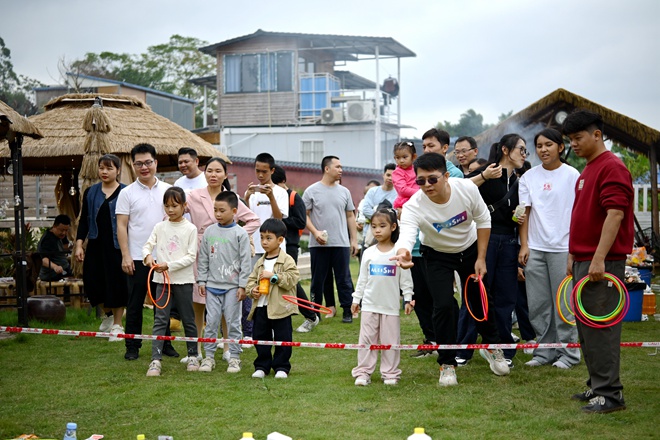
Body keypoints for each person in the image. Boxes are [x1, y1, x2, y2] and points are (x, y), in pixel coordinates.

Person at [391, 153, 509, 386]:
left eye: (432, 179)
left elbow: (484, 220)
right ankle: (447, 364)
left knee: (480, 299)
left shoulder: (466, 189)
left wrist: (481, 258)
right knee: (443, 305)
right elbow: (407, 234)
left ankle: (491, 346)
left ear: (446, 176)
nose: (427, 185)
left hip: (470, 249)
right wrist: (403, 251)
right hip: (437, 255)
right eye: (421, 181)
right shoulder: (414, 204)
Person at [563, 109, 633, 413]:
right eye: (570, 139)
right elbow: (582, 217)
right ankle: (597, 385)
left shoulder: (612, 167)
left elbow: (615, 214)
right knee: (587, 327)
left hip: (602, 262)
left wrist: (598, 258)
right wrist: (573, 254)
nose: (573, 144)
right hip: (585, 259)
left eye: (578, 137)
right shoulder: (588, 169)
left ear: (596, 134)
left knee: (600, 327)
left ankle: (610, 395)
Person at [462, 134, 528, 367]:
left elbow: (521, 214)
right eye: (521, 149)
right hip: (485, 241)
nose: (524, 154)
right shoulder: (488, 172)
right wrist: (483, 176)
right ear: (505, 150)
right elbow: (459, 188)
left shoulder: (520, 181)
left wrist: (522, 238)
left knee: (506, 298)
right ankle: (464, 349)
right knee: (477, 294)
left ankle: (503, 349)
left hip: (509, 242)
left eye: (525, 150)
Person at [518, 128, 580, 369]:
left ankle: (569, 354)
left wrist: (573, 249)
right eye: (539, 145)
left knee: (564, 304)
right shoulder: (529, 177)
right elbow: (524, 213)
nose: (543, 149)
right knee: (538, 305)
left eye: (549, 145)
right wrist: (524, 245)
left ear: (560, 147)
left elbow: (578, 214)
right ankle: (544, 352)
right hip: (535, 248)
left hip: (563, 248)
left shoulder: (572, 175)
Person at [187, 157, 260, 362]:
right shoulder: (193, 195)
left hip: (227, 258)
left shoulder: (231, 197)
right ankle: (197, 350)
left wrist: (235, 237)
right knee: (199, 303)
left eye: (218, 171)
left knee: (228, 306)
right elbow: (171, 214)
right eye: (209, 170)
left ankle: (227, 347)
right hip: (201, 252)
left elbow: (254, 220)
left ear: (225, 175)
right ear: (204, 173)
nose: (213, 175)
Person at [117, 143, 177, 361]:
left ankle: (165, 343)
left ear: (156, 163)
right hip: (136, 257)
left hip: (163, 258)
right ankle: (132, 345)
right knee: (134, 304)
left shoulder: (168, 190)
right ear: (133, 166)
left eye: (148, 162)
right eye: (139, 163)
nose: (144, 167)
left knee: (163, 304)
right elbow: (121, 226)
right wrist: (125, 256)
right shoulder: (126, 193)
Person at [351, 208, 414, 386]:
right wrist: (356, 300)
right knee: (366, 341)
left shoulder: (399, 253)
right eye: (373, 226)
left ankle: (390, 373)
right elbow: (362, 279)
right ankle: (363, 372)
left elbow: (406, 280)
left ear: (393, 227)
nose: (377, 230)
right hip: (369, 306)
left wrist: (408, 298)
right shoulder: (369, 253)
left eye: (382, 226)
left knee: (390, 342)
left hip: (390, 307)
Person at [142, 187, 199, 376]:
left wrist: (169, 265)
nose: (170, 210)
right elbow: (147, 246)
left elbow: (191, 257)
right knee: (160, 319)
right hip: (161, 281)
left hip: (183, 281)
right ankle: (155, 360)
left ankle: (193, 356)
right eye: (167, 206)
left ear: (184, 206)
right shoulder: (160, 227)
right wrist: (148, 257)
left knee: (188, 319)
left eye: (175, 205)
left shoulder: (190, 228)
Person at [196, 191, 252, 374]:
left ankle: (234, 357)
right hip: (212, 287)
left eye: (222, 210)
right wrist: (202, 280)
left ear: (234, 211)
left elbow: (245, 262)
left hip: (233, 288)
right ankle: (209, 357)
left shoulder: (240, 234)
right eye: (215, 210)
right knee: (211, 322)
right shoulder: (209, 231)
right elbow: (203, 258)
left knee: (233, 322)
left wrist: (243, 286)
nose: (218, 214)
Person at [74, 154, 128, 340]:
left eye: (109, 168)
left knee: (116, 284)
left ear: (118, 171)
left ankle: (118, 325)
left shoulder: (126, 192)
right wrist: (79, 244)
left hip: (117, 246)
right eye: (101, 168)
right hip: (95, 244)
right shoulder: (91, 192)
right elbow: (84, 220)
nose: (104, 172)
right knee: (92, 284)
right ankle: (109, 315)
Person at [303, 155, 359, 323]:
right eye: (338, 167)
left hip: (341, 243)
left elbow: (350, 216)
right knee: (317, 280)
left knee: (344, 279)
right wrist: (315, 232)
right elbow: (304, 216)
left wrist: (354, 240)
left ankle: (347, 310)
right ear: (327, 169)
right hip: (318, 244)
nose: (341, 170)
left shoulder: (344, 191)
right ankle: (315, 312)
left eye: (341, 167)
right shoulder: (311, 191)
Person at [246, 219, 300, 379]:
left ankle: (281, 366)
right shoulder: (259, 262)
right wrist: (253, 290)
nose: (264, 242)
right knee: (260, 337)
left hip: (281, 307)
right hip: (261, 307)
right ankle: (262, 366)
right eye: (262, 237)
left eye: (268, 238)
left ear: (280, 240)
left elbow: (292, 278)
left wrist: (274, 277)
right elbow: (250, 281)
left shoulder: (287, 260)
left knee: (283, 338)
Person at [244, 152, 289, 341]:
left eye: (264, 171)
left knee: (274, 288)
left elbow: (279, 219)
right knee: (253, 288)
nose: (260, 175)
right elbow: (245, 218)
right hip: (255, 246)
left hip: (276, 249)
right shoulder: (253, 192)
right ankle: (252, 329)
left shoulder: (280, 192)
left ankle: (275, 326)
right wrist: (247, 197)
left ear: (272, 170)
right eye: (257, 171)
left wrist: (271, 197)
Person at [271, 165, 320, 333]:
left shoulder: (293, 197)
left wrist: (279, 220)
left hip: (289, 244)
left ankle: (311, 316)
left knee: (290, 281)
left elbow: (300, 222)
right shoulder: (269, 196)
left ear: (282, 181)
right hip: (272, 245)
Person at [37, 214, 71, 281]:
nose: (64, 233)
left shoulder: (61, 236)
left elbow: (65, 248)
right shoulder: (48, 240)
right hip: (51, 274)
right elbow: (43, 260)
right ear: (54, 226)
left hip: (64, 269)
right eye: (62, 230)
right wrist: (55, 267)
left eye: (66, 230)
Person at [392, 141, 418, 211]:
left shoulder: (417, 169)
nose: (401, 161)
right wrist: (420, 192)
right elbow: (402, 190)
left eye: (404, 157)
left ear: (414, 157)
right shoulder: (397, 172)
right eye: (398, 158)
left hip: (418, 200)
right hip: (405, 203)